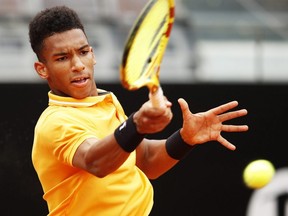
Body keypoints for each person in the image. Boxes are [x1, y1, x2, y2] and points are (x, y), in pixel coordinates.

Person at [29, 6, 248, 216]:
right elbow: (95, 162)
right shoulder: (56, 122)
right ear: (42, 69)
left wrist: (184, 138)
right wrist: (135, 124)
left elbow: (145, 160)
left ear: (92, 54)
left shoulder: (105, 101)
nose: (78, 64)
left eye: (83, 52)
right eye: (62, 58)